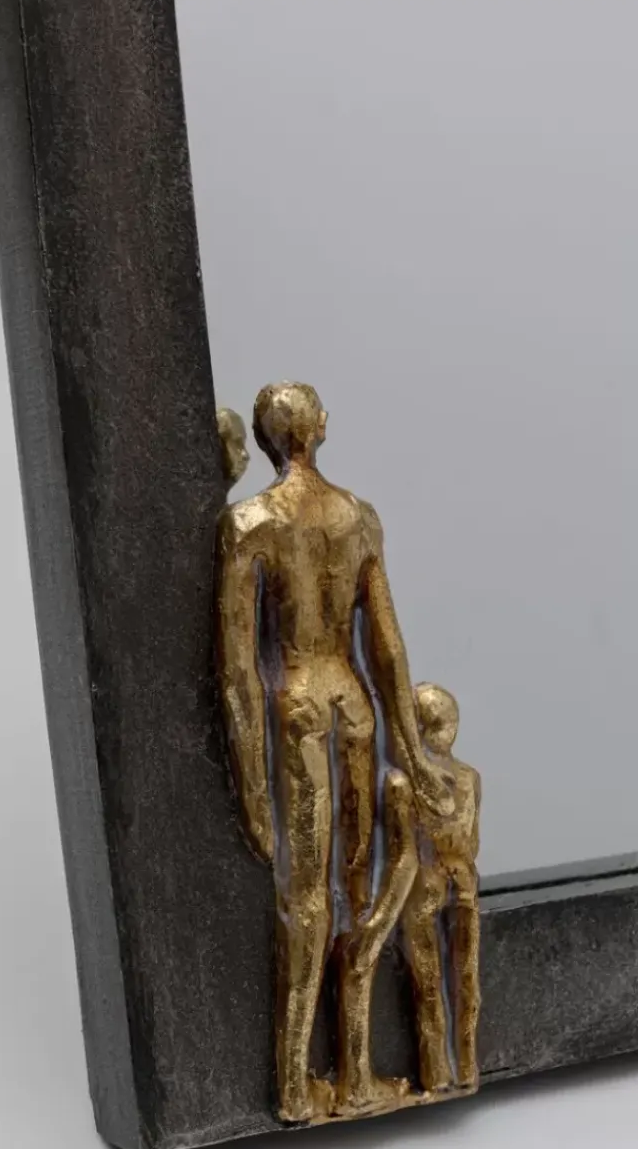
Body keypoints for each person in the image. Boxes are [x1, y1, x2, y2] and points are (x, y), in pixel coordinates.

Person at [215, 382, 454, 1122]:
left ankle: (300, 1084)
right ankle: (344, 1077)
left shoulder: (250, 523)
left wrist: (253, 785)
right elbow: (387, 648)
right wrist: (411, 748)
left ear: (265, 438)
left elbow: (239, 673)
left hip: (299, 706)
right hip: (353, 706)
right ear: (318, 428)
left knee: (309, 900)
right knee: (355, 895)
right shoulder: (358, 518)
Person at [401, 683, 481, 1093]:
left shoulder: (414, 782)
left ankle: (440, 1071)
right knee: (460, 982)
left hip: (430, 881)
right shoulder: (468, 778)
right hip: (459, 878)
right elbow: (472, 841)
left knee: (433, 985)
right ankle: (460, 1067)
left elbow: (404, 845)